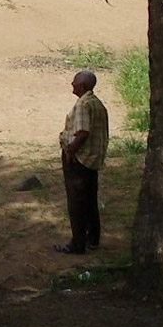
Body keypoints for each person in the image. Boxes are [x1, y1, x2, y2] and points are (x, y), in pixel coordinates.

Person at [54, 69, 109, 254]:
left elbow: (83, 132)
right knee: (90, 200)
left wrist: (71, 150)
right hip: (92, 159)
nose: (72, 84)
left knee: (77, 202)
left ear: (83, 86)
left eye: (75, 82)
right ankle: (93, 239)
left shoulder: (83, 104)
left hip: (80, 159)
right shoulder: (97, 103)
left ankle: (78, 243)